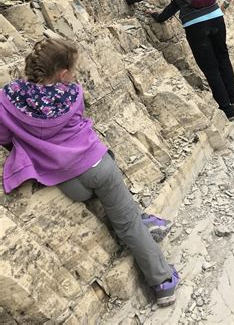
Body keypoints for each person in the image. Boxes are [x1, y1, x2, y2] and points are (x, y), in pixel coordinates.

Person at [0, 37, 179, 307]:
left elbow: (4, 137)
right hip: (97, 165)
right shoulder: (72, 94)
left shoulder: (8, 97)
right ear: (62, 74)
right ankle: (163, 282)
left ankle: (143, 223)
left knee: (115, 211)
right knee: (127, 222)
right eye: (72, 70)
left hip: (65, 180)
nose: (74, 75)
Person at [126, 0, 234, 121]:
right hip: (216, 17)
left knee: (210, 67)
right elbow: (177, 3)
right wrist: (160, 16)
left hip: (196, 24)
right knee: (223, 58)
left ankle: (227, 111)